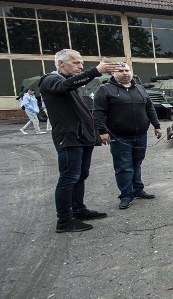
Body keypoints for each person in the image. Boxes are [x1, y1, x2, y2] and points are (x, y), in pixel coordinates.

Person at [40, 50, 122, 233]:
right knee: (68, 178)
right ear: (61, 63)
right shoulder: (51, 80)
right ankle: (64, 220)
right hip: (70, 138)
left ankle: (78, 209)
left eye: (81, 63)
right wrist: (95, 71)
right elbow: (66, 86)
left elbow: (72, 84)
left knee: (80, 175)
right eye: (76, 63)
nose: (81, 66)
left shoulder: (67, 81)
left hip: (82, 138)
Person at [93, 63, 163, 210]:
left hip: (140, 135)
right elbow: (98, 112)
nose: (125, 73)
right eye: (121, 71)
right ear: (113, 73)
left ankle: (138, 190)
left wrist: (157, 125)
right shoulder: (105, 89)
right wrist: (102, 131)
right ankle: (126, 195)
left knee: (137, 163)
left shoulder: (140, 88)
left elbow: (149, 108)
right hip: (120, 137)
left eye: (127, 70)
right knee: (124, 167)